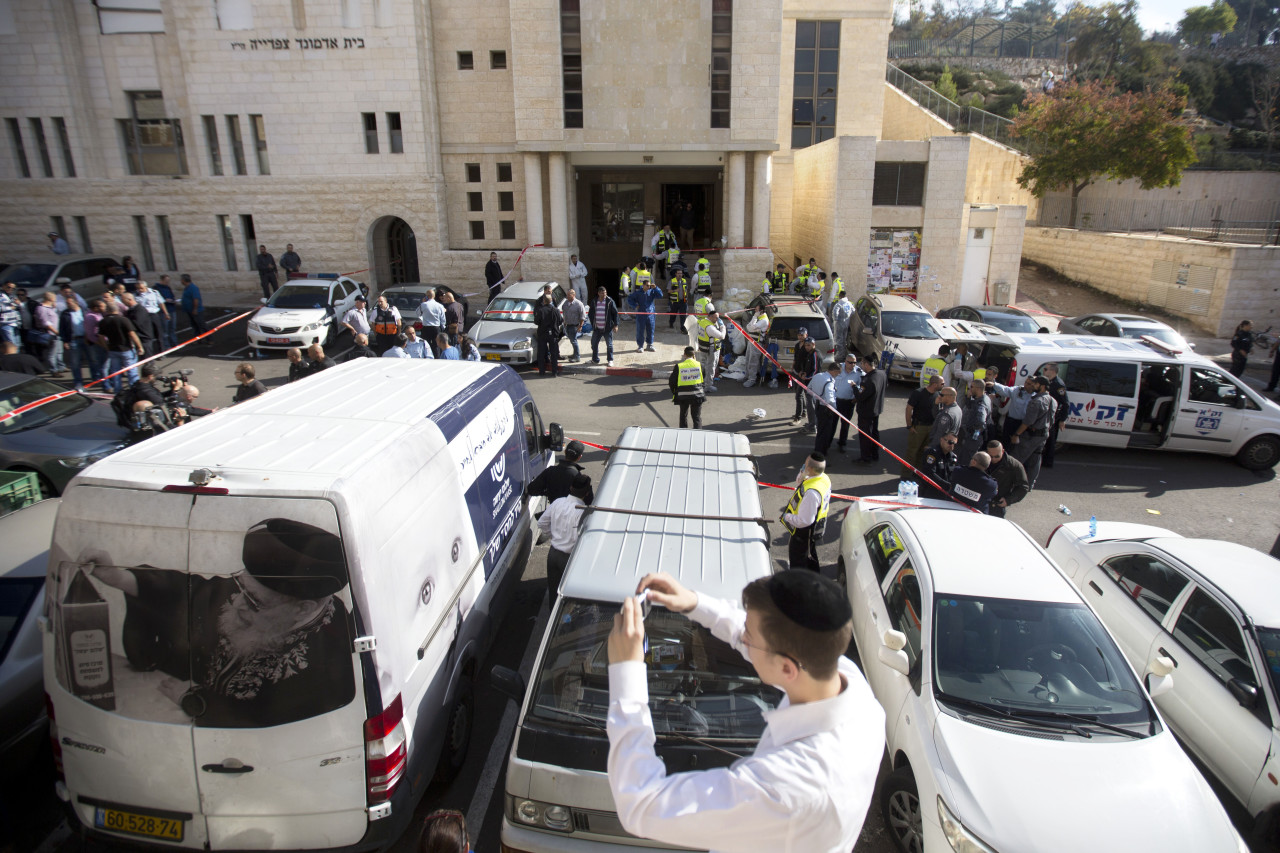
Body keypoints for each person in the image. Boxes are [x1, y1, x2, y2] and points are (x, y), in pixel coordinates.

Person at [606, 568, 883, 853]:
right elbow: (762, 642)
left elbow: (639, 803)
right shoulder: (849, 688)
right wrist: (694, 603)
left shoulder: (785, 789)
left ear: (787, 668)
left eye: (749, 636)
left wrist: (626, 670)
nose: (742, 639)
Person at [86, 518, 353, 728]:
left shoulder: (331, 647)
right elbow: (190, 594)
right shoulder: (246, 596)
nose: (235, 604)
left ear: (303, 608)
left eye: (252, 601)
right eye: (241, 587)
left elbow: (271, 720)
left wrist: (193, 700)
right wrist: (118, 578)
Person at [538, 473, 591, 595]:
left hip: (553, 555)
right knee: (568, 595)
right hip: (569, 558)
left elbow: (541, 523)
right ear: (586, 493)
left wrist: (554, 535)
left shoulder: (558, 502)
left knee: (553, 593)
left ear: (571, 488)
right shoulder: (583, 512)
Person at [781, 453, 831, 571]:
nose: (803, 466)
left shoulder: (811, 494)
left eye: (805, 464)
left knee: (798, 560)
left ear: (810, 469)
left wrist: (787, 517)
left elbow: (805, 521)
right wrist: (803, 474)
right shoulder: (822, 478)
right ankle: (814, 577)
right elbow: (800, 483)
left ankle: (798, 586)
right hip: (816, 525)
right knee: (810, 556)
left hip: (803, 532)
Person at [1011, 375, 1055, 489]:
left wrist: (1017, 434)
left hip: (1031, 436)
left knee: (1016, 459)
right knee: (1035, 460)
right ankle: (1029, 484)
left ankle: (1010, 482)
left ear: (1042, 386)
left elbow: (1027, 422)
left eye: (1035, 384)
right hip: (1043, 435)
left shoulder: (1037, 401)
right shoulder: (1052, 400)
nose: (1033, 386)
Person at [903, 374, 941, 474]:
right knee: (912, 452)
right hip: (919, 427)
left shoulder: (938, 394)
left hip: (931, 427)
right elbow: (909, 408)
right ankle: (906, 474)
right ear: (934, 384)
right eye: (942, 383)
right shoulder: (918, 393)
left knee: (924, 452)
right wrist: (909, 425)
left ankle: (918, 473)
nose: (943, 385)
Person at [854, 353, 886, 464]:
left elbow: (860, 396)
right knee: (874, 433)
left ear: (867, 364)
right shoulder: (881, 374)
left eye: (862, 363)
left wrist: (854, 387)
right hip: (876, 410)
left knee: (865, 436)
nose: (861, 366)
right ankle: (874, 454)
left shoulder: (868, 380)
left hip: (866, 412)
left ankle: (865, 457)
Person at [985, 440, 1028, 519]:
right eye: (991, 456)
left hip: (997, 504)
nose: (993, 459)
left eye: (997, 456)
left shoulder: (1014, 465)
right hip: (980, 501)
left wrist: (1008, 500)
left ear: (1003, 451)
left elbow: (1023, 487)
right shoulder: (981, 459)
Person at [955, 379, 991, 467]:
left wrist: (971, 430)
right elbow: (970, 407)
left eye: (971, 387)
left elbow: (980, 422)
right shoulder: (982, 398)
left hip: (972, 438)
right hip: (972, 437)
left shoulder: (981, 404)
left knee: (966, 461)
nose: (970, 389)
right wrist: (968, 398)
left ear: (978, 388)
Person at [669, 346, 706, 429]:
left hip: (683, 395)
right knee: (696, 417)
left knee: (683, 415)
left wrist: (675, 392)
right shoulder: (700, 365)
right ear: (694, 355)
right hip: (697, 395)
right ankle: (697, 434)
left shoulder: (679, 366)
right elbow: (703, 378)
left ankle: (683, 433)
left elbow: (672, 382)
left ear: (684, 355)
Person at [1041, 362, 1069, 468]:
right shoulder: (1049, 381)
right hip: (1047, 414)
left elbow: (1066, 403)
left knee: (1051, 440)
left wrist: (1062, 419)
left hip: (1054, 417)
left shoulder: (1058, 384)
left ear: (1052, 371)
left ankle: (1048, 462)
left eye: (1045, 369)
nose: (1044, 371)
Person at [59, 294, 90, 389]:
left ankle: (96, 379)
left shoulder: (84, 311)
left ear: (76, 302)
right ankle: (78, 382)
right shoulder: (65, 314)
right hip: (73, 340)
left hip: (87, 339)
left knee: (93, 360)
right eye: (66, 303)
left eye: (69, 303)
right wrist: (65, 341)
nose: (68, 305)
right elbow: (62, 329)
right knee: (75, 363)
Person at [811, 362, 842, 456]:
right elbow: (830, 400)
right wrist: (835, 409)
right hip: (826, 409)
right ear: (834, 371)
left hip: (818, 406)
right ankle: (821, 454)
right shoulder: (829, 382)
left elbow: (809, 388)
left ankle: (817, 450)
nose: (838, 375)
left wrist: (817, 396)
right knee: (825, 433)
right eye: (838, 373)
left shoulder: (818, 376)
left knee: (820, 431)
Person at [833, 354, 862, 453]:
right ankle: (827, 442)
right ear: (845, 361)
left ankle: (842, 443)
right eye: (850, 362)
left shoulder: (859, 373)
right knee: (832, 423)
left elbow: (863, 386)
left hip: (849, 402)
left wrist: (857, 398)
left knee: (845, 425)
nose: (852, 364)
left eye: (854, 362)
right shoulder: (838, 367)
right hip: (836, 401)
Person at [790, 330, 818, 428]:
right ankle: (803, 412)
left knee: (800, 396)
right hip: (798, 373)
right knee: (799, 394)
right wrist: (794, 368)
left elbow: (814, 368)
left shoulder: (812, 352)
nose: (800, 337)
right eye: (799, 335)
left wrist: (805, 375)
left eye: (802, 335)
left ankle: (798, 417)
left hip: (805, 377)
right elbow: (797, 359)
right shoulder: (798, 345)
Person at [920, 432, 959, 499]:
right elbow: (929, 473)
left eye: (954, 444)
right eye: (950, 442)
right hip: (929, 492)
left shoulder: (953, 457)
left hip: (945, 494)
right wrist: (947, 485)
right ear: (942, 440)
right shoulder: (932, 453)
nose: (952, 445)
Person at [628, 273, 661, 352]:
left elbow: (660, 295)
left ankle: (650, 344)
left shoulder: (652, 292)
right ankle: (640, 346)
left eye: (649, 285)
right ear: (643, 285)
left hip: (651, 314)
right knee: (640, 330)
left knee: (651, 330)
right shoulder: (638, 293)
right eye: (647, 285)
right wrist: (635, 305)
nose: (648, 287)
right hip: (641, 314)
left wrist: (656, 288)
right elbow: (629, 299)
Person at [740, 305, 770, 388]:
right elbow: (748, 327)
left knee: (753, 361)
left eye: (756, 310)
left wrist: (754, 318)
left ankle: (752, 379)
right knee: (748, 360)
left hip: (757, 343)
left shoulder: (764, 320)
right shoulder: (759, 319)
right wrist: (754, 320)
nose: (754, 311)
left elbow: (751, 327)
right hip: (751, 341)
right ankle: (747, 376)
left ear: (761, 311)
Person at [697, 308, 727, 392]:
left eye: (718, 318)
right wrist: (722, 327)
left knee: (705, 365)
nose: (717, 320)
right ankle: (708, 386)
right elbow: (722, 336)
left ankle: (702, 381)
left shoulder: (703, 322)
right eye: (715, 318)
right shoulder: (710, 327)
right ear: (710, 317)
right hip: (711, 350)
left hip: (704, 348)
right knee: (711, 367)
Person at [534, 293, 563, 376]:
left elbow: (536, 321)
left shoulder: (540, 310)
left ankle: (542, 372)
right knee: (554, 354)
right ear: (551, 301)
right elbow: (561, 321)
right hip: (553, 334)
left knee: (541, 353)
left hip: (542, 334)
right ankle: (554, 372)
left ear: (544, 301)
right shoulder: (556, 310)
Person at [32, 291, 62, 373]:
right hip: (50, 334)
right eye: (54, 298)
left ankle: (60, 367)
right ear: (51, 298)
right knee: (51, 353)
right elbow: (45, 323)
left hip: (55, 333)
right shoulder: (41, 308)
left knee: (58, 351)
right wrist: (56, 332)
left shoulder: (50, 307)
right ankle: (53, 370)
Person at [136, 280, 168, 354]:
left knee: (159, 334)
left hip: (154, 315)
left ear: (146, 287)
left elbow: (161, 303)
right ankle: (149, 353)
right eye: (138, 288)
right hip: (144, 316)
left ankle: (162, 352)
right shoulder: (136, 295)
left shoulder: (154, 292)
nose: (140, 290)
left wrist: (166, 313)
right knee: (147, 335)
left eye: (141, 288)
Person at [590, 285, 619, 366]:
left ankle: (610, 360)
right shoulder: (594, 301)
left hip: (607, 328)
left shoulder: (610, 301)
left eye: (605, 293)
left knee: (609, 345)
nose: (604, 294)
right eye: (602, 293)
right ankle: (595, 359)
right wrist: (593, 323)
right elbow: (591, 313)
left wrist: (616, 325)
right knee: (594, 344)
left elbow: (615, 313)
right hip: (597, 328)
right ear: (598, 293)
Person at [419, 289, 447, 357]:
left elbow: (417, 313)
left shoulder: (423, 305)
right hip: (436, 327)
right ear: (434, 296)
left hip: (426, 327)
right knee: (437, 345)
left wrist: (422, 319)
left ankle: (426, 357)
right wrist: (443, 326)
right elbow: (443, 318)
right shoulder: (439, 305)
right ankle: (437, 358)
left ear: (427, 296)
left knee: (426, 344)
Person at [561, 286, 586, 363]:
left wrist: (580, 326)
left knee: (574, 341)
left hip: (574, 325)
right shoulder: (566, 303)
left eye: (569, 295)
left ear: (573, 295)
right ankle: (574, 354)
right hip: (567, 325)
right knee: (572, 340)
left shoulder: (579, 304)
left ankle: (577, 356)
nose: (567, 297)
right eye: (567, 295)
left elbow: (582, 316)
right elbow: (564, 311)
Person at [154, 275, 179, 350]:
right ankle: (166, 345)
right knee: (165, 329)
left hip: (172, 309)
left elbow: (172, 296)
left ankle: (174, 342)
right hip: (163, 312)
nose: (168, 282)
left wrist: (173, 300)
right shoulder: (156, 289)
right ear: (161, 280)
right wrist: (165, 300)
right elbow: (158, 301)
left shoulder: (168, 288)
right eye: (166, 281)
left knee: (172, 328)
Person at [829, 293, 852, 362]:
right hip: (846, 323)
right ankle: (844, 353)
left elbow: (835, 312)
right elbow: (853, 311)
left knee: (838, 339)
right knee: (844, 339)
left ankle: (840, 355)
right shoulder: (849, 303)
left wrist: (836, 320)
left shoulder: (839, 304)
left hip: (839, 324)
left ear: (840, 296)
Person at [0, 280, 20, 347]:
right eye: (8, 287)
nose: (11, 289)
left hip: (15, 323)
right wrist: (11, 307)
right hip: (6, 324)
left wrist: (17, 304)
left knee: (17, 345)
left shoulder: (12, 296)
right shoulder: (1, 296)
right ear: (3, 287)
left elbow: (16, 307)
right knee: (11, 346)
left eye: (13, 288)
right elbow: (2, 308)